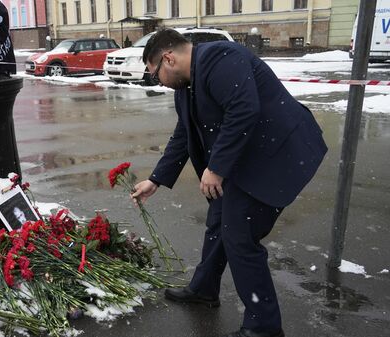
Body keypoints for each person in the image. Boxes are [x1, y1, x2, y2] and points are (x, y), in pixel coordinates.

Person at [131, 29, 327, 337]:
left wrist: (217, 168)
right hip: (247, 157)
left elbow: (243, 109)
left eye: (155, 75)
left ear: (168, 59)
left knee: (239, 235)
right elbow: (184, 133)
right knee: (220, 219)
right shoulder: (187, 84)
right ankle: (204, 288)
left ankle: (264, 327)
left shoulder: (222, 58)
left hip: (278, 154)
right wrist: (156, 179)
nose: (159, 83)